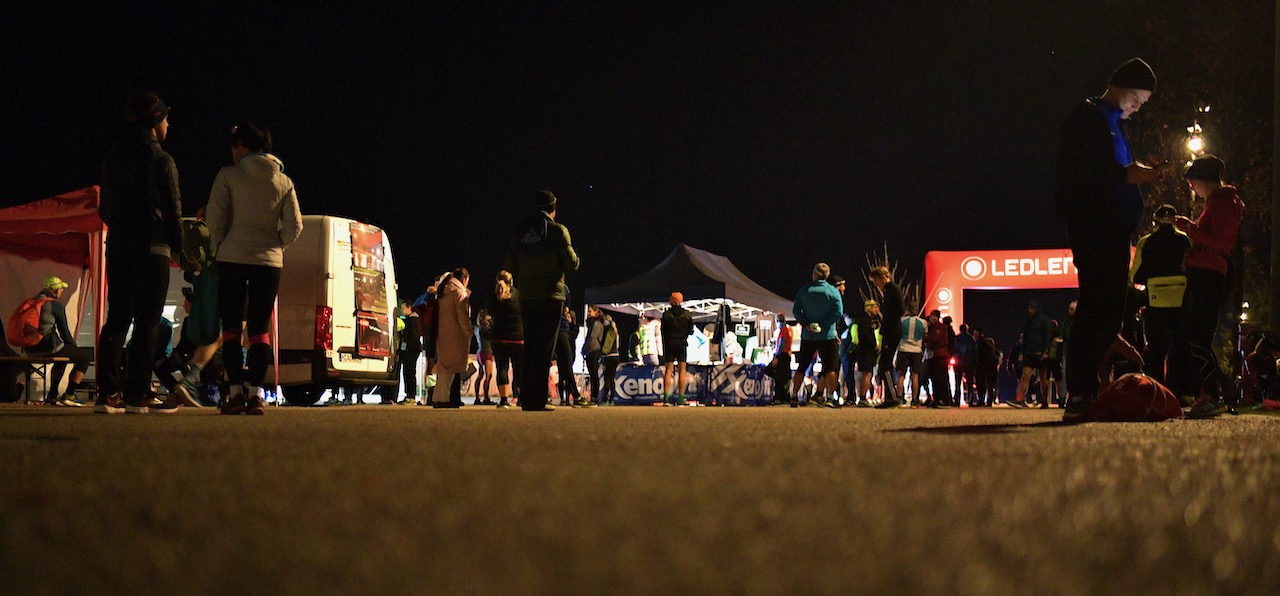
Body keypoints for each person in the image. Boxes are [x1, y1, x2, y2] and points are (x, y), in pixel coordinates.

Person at [1055, 57, 1160, 421]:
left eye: (1142, 102)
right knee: (1098, 302)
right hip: (1093, 224)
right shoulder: (1087, 117)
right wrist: (1125, 176)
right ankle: (1080, 390)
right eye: (1136, 97)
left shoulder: (1115, 124)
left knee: (1111, 304)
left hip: (1114, 227)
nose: (1137, 106)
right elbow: (1077, 170)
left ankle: (1088, 388)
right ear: (1119, 85)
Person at [206, 120, 303, 416]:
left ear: (243, 146)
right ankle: (257, 394)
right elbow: (295, 226)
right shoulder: (284, 182)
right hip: (268, 262)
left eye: (235, 146)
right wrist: (276, 244)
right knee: (260, 330)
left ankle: (235, 393)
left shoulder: (228, 175)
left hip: (232, 258)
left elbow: (214, 218)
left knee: (232, 328)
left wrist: (220, 245)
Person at [96, 91, 184, 415]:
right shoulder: (161, 159)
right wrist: (179, 247)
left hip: (118, 246)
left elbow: (105, 210)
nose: (169, 124)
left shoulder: (113, 158)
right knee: (148, 322)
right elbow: (174, 212)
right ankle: (138, 394)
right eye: (166, 118)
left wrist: (123, 226)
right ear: (156, 121)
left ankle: (107, 394)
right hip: (152, 248)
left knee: (117, 319)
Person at [1167, 156, 1244, 418]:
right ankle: (1213, 391)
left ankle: (1212, 394)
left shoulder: (1223, 203)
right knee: (1193, 335)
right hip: (1206, 273)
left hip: (1208, 276)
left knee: (1195, 335)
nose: (1192, 189)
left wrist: (1188, 227)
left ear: (1203, 182)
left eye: (1192, 183)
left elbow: (1216, 240)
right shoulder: (1221, 202)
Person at [506, 190, 579, 411]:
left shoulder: (520, 231)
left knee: (530, 347)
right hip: (551, 296)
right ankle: (538, 400)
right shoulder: (557, 231)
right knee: (545, 348)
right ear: (553, 209)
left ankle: (526, 398)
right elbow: (571, 264)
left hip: (527, 297)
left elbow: (510, 267)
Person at [1129, 204, 1190, 385]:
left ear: (1155, 221)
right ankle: (1180, 391)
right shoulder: (1185, 240)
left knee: (1156, 348)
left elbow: (1135, 275)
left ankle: (1156, 388)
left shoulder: (1146, 242)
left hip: (1156, 301)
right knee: (1180, 347)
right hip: (1181, 299)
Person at [20, 276, 91, 406]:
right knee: (85, 356)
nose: (62, 291)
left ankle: (52, 396)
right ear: (54, 290)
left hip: (30, 350)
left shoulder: (31, 303)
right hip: (48, 348)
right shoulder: (55, 306)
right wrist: (75, 348)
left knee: (63, 353)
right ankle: (69, 394)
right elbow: (65, 335)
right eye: (61, 288)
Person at [790, 263, 843, 408]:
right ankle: (831, 397)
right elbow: (838, 312)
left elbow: (796, 311)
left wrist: (807, 323)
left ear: (814, 274)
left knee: (802, 367)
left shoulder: (804, 290)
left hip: (809, 335)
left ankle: (794, 396)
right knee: (831, 367)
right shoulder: (833, 291)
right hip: (827, 335)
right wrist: (825, 324)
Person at [430, 269, 471, 408]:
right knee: (451, 368)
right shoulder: (459, 293)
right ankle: (443, 399)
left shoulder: (444, 291)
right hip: (455, 334)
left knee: (444, 367)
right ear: (464, 279)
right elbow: (462, 316)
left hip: (443, 334)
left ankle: (438, 397)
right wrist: (468, 332)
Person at [870, 266, 905, 408]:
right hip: (888, 330)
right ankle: (890, 397)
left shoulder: (893, 289)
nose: (875, 284)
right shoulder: (887, 291)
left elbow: (900, 309)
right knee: (885, 364)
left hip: (892, 331)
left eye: (876, 280)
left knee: (885, 364)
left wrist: (888, 318)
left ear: (883, 277)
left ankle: (892, 397)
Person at [487, 270, 523, 409]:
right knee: (518, 369)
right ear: (511, 281)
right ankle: (520, 398)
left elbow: (488, 313)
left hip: (499, 337)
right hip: (517, 338)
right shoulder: (518, 295)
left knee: (502, 368)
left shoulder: (493, 295)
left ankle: (503, 400)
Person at [1009, 300, 1052, 408]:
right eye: (1029, 308)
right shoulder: (1029, 321)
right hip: (1029, 352)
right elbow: (1026, 338)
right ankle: (1020, 400)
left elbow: (1047, 336)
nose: (1030, 310)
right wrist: (1023, 352)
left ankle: (1044, 401)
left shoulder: (1044, 321)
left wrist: (1046, 351)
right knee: (1025, 376)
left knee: (1042, 378)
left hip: (1040, 353)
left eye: (1032, 308)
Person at [660, 292, 695, 405]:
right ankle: (680, 398)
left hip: (670, 343)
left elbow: (663, 330)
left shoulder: (666, 314)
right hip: (681, 344)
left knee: (668, 370)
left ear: (674, 300)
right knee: (682, 371)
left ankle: (665, 398)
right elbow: (691, 331)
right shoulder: (687, 315)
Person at [895, 300, 928, 406]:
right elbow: (925, 335)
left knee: (901, 375)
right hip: (917, 350)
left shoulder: (902, 321)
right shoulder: (923, 322)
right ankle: (914, 400)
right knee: (915, 376)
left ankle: (899, 398)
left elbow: (897, 333)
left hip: (903, 349)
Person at [556, 304, 586, 407]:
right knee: (563, 373)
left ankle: (571, 397)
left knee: (567, 370)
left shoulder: (574, 328)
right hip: (562, 335)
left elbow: (573, 336)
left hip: (571, 350)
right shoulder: (563, 327)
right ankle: (567, 398)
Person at [923, 310, 952, 408]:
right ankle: (936, 399)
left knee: (941, 378)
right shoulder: (932, 328)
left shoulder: (942, 328)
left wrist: (928, 339)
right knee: (934, 378)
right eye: (931, 316)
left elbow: (935, 339)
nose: (932, 318)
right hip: (933, 355)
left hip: (941, 355)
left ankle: (944, 399)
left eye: (934, 316)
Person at [855, 300, 882, 406]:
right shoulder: (865, 320)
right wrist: (874, 345)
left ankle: (862, 397)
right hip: (866, 351)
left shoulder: (865, 319)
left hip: (864, 351)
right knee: (867, 374)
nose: (877, 309)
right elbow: (865, 336)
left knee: (865, 374)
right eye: (875, 307)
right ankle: (862, 397)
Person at [396, 299, 423, 404]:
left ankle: (411, 396)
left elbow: (414, 336)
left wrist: (405, 332)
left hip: (411, 349)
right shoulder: (409, 319)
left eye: (403, 308)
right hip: (408, 349)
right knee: (407, 373)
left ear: (409, 307)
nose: (402, 310)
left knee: (410, 373)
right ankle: (409, 395)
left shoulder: (413, 320)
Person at [582, 305, 606, 404]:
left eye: (590, 311)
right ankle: (594, 396)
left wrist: (585, 348)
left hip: (593, 350)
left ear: (596, 312)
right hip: (591, 350)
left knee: (594, 374)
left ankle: (595, 396)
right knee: (592, 374)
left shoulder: (596, 323)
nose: (588, 313)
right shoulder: (592, 324)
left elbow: (592, 337)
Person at [769, 313, 794, 406]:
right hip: (787, 355)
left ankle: (779, 397)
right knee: (785, 377)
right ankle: (784, 397)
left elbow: (781, 344)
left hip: (782, 355)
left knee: (779, 377)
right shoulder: (788, 330)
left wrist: (776, 355)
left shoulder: (783, 330)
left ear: (777, 321)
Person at [472, 309, 495, 405]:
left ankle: (477, 398)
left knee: (480, 376)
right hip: (487, 352)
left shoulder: (477, 328)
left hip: (479, 353)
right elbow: (492, 336)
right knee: (488, 376)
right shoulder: (486, 329)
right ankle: (486, 398)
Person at [598, 311, 621, 405]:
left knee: (607, 378)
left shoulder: (608, 331)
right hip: (616, 356)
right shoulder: (616, 333)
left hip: (608, 356)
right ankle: (611, 399)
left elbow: (605, 347)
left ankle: (607, 399)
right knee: (612, 378)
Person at [953, 323, 978, 406]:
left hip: (958, 363)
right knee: (969, 383)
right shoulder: (971, 339)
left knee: (957, 382)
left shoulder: (956, 338)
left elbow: (953, 349)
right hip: (969, 363)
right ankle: (970, 401)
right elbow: (975, 351)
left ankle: (957, 401)